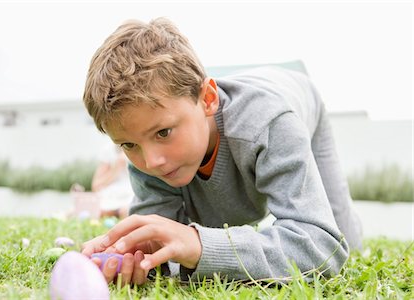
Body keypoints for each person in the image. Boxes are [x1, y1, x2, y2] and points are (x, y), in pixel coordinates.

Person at [81, 17, 362, 286]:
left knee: (346, 240)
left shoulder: (270, 123)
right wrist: (126, 252)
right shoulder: (145, 153)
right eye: (129, 145)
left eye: (163, 132)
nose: (152, 161)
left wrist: (199, 245)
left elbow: (322, 247)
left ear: (208, 99)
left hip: (299, 103)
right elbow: (160, 252)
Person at [91, 143, 133, 219]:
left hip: (131, 193)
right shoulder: (108, 150)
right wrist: (116, 169)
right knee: (96, 210)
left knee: (125, 210)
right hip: (111, 195)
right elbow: (96, 186)